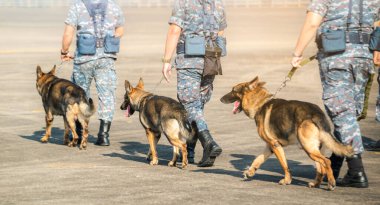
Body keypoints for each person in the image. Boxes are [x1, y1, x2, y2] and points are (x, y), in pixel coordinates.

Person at [291, 0, 379, 188]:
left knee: (342, 113)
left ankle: (357, 172)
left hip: (336, 56)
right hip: (363, 56)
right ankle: (336, 163)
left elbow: (313, 22)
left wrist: (297, 52)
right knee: (348, 113)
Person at [162, 0, 227, 167]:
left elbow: (174, 30)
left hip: (190, 59)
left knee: (190, 103)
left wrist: (167, 60)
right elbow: (221, 32)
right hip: (211, 59)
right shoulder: (218, 4)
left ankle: (208, 142)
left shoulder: (182, 3)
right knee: (197, 106)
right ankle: (190, 150)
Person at [61, 0, 125, 146]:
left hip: (84, 58)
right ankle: (104, 135)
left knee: (79, 95)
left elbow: (68, 34)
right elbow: (120, 30)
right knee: (107, 95)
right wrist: (107, 40)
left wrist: (64, 51)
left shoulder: (77, 6)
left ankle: (78, 132)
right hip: (106, 58)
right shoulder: (114, 6)